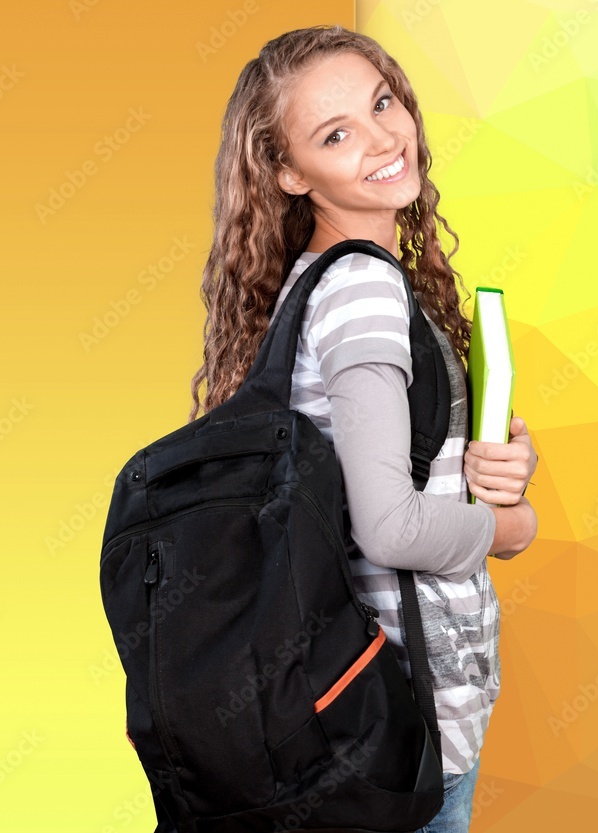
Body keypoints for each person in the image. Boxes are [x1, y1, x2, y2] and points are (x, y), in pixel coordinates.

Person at [189, 24, 538, 833]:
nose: (384, 138)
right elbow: (389, 525)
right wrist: (511, 523)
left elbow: (381, 483)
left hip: (354, 725)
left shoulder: (315, 286)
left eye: (383, 103)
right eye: (335, 133)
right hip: (405, 729)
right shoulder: (362, 295)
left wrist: (492, 465)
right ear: (287, 172)